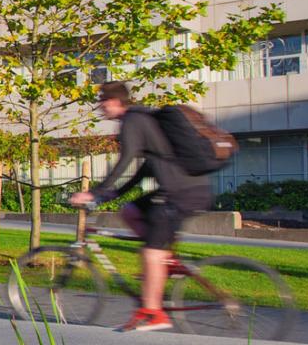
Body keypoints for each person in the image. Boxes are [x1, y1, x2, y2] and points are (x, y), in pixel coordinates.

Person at [72, 81, 213, 333]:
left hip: (182, 193)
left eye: (102, 102)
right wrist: (112, 193)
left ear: (114, 101)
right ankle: (163, 258)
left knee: (150, 253)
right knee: (130, 211)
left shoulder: (132, 122)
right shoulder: (142, 119)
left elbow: (125, 161)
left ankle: (154, 313)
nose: (100, 107)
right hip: (180, 189)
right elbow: (144, 169)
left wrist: (95, 192)